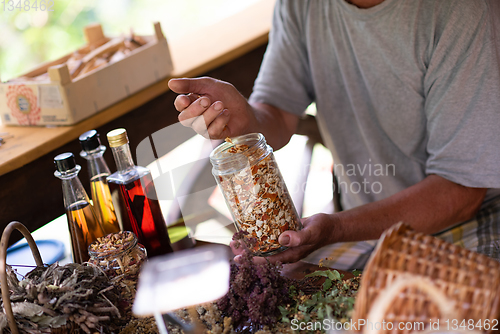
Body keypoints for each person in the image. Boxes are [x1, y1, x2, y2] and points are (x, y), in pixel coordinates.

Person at [168, 0, 500, 270]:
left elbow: (460, 193)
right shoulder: (301, 6)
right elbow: (278, 116)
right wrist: (243, 118)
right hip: (364, 227)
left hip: (471, 222)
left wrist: (336, 227)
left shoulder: (463, 12)